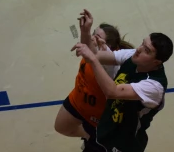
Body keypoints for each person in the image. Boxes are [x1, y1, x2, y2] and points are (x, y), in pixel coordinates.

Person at [55, 10, 133, 140]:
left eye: (96, 37)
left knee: (98, 147)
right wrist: (85, 30)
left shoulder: (111, 66)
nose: (92, 38)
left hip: (98, 114)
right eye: (93, 34)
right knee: (61, 127)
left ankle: (91, 138)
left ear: (106, 46)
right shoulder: (91, 50)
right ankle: (86, 136)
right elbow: (88, 45)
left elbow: (95, 54)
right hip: (78, 100)